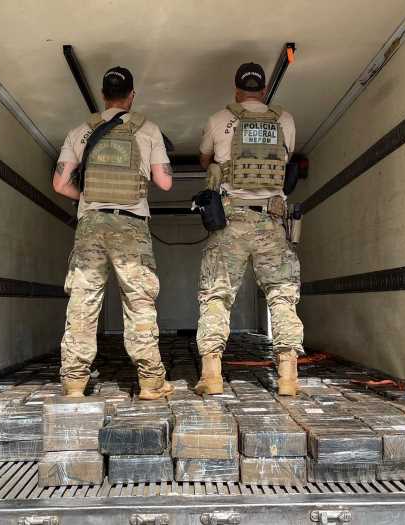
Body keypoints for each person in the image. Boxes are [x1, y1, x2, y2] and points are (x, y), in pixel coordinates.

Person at [52, 66, 174, 399]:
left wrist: (88, 197)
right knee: (139, 303)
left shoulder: (79, 131)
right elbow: (165, 182)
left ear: (103, 95)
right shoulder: (148, 129)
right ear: (131, 96)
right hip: (131, 226)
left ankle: (74, 383)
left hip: (91, 224)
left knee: (83, 302)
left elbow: (60, 184)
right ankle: (151, 383)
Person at [194, 62, 304, 396]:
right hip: (271, 220)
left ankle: (211, 376)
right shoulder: (284, 120)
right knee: (281, 294)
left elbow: (205, 160)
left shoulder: (219, 119)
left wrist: (219, 165)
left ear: (237, 90)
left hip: (231, 221)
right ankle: (287, 376)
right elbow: (287, 159)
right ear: (265, 88)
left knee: (217, 294)